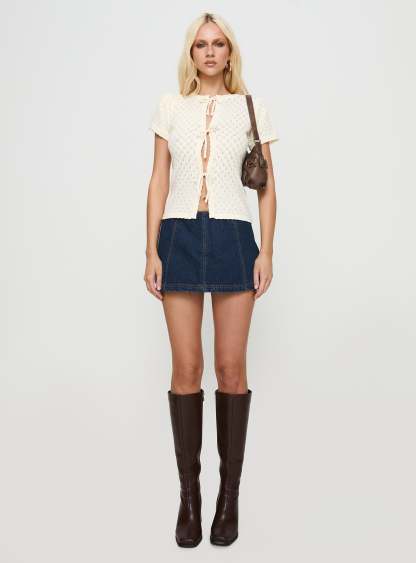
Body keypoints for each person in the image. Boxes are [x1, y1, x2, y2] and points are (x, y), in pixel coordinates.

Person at [144, 12, 279, 548]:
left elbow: (267, 188)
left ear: (229, 53)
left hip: (232, 236)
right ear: (191, 53)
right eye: (200, 44)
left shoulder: (251, 108)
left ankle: (229, 499)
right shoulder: (170, 107)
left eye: (218, 44)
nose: (209, 52)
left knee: (229, 367)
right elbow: (158, 178)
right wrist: (151, 249)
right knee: (186, 367)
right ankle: (189, 497)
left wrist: (267, 250)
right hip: (179, 233)